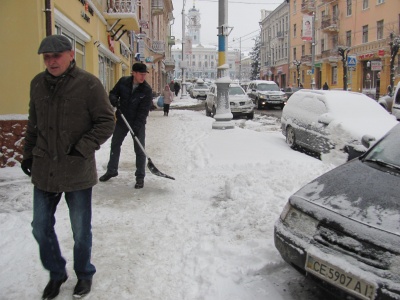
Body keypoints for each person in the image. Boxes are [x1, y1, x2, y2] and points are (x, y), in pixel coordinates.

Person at [21, 35, 115, 299]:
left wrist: (82, 148)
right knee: (40, 226)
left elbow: (107, 121)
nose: (51, 61)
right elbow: (33, 124)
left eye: (57, 56)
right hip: (44, 170)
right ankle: (56, 272)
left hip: (76, 170)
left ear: (71, 54)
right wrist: (28, 155)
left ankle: (84, 274)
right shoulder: (37, 84)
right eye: (47, 57)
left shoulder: (88, 84)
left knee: (81, 230)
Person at [99, 63, 153, 189]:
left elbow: (143, 112)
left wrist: (136, 127)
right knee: (115, 144)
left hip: (137, 123)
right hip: (122, 120)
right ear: (133, 73)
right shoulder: (123, 82)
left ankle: (140, 177)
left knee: (139, 150)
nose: (143, 77)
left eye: (144, 74)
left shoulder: (146, 90)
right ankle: (111, 170)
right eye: (141, 74)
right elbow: (113, 93)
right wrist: (113, 99)